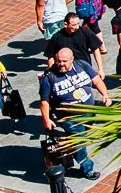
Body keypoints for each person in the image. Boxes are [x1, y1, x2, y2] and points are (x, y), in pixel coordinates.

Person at [37, 45, 105, 179]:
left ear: (72, 59)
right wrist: (46, 119)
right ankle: (87, 168)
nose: (60, 64)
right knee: (79, 142)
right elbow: (44, 102)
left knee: (83, 137)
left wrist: (105, 94)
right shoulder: (49, 77)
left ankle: (70, 148)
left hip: (89, 111)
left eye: (64, 61)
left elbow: (96, 80)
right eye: (58, 61)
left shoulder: (82, 65)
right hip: (69, 117)